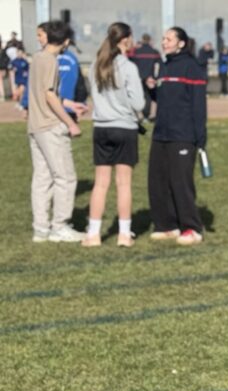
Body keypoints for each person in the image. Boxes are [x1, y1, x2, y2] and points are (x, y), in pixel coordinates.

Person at [82, 22, 146, 248]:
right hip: (124, 128)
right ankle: (124, 234)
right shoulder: (128, 67)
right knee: (123, 184)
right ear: (125, 39)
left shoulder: (95, 65)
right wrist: (127, 105)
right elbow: (139, 102)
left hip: (101, 127)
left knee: (100, 184)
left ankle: (93, 234)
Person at [145, 27, 207, 245]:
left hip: (183, 135)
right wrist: (152, 88)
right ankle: (166, 225)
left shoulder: (192, 67)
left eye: (169, 39)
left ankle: (191, 228)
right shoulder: (163, 66)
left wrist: (200, 138)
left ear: (181, 43)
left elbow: (199, 106)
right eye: (163, 38)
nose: (164, 42)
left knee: (181, 182)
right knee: (158, 181)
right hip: (161, 132)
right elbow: (162, 99)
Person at [27, 20, 85, 243]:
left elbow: (44, 92)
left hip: (35, 126)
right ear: (66, 41)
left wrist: (70, 104)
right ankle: (59, 226)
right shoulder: (51, 60)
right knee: (66, 178)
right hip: (50, 126)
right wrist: (70, 123)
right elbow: (49, 96)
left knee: (42, 178)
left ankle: (40, 229)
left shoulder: (37, 58)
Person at [129, 33, 160, 120]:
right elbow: (159, 64)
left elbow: (129, 59)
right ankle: (152, 114)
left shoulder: (137, 52)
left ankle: (140, 115)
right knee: (154, 96)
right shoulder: (155, 52)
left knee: (138, 95)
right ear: (150, 40)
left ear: (142, 40)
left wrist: (134, 47)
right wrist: (156, 77)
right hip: (151, 77)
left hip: (139, 77)